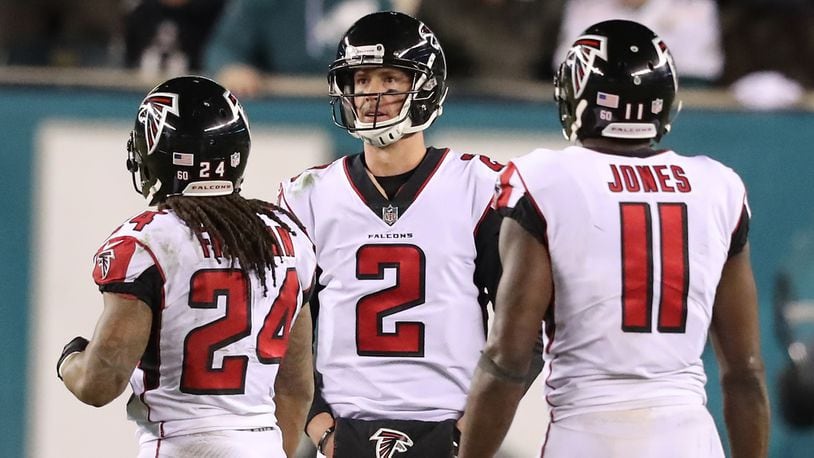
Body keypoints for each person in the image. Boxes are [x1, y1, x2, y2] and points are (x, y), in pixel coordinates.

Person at [459, 19, 769, 458]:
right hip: (690, 438)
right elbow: (746, 372)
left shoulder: (545, 178)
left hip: (589, 434)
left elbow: (508, 358)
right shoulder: (718, 185)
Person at [277, 11, 537, 457]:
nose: (372, 95)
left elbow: (529, 325)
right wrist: (320, 425)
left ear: (426, 87)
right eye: (361, 81)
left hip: (451, 425)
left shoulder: (479, 187)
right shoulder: (309, 196)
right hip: (343, 429)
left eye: (390, 80)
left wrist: (472, 426)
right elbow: (273, 326)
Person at [56, 76, 317, 458]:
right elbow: (295, 387)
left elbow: (100, 383)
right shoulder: (287, 237)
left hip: (178, 445)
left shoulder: (149, 242)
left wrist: (70, 361)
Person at [204, 0, 394, 98]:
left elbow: (397, 44)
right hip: (288, 105)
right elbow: (224, 46)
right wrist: (231, 68)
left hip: (359, 101)